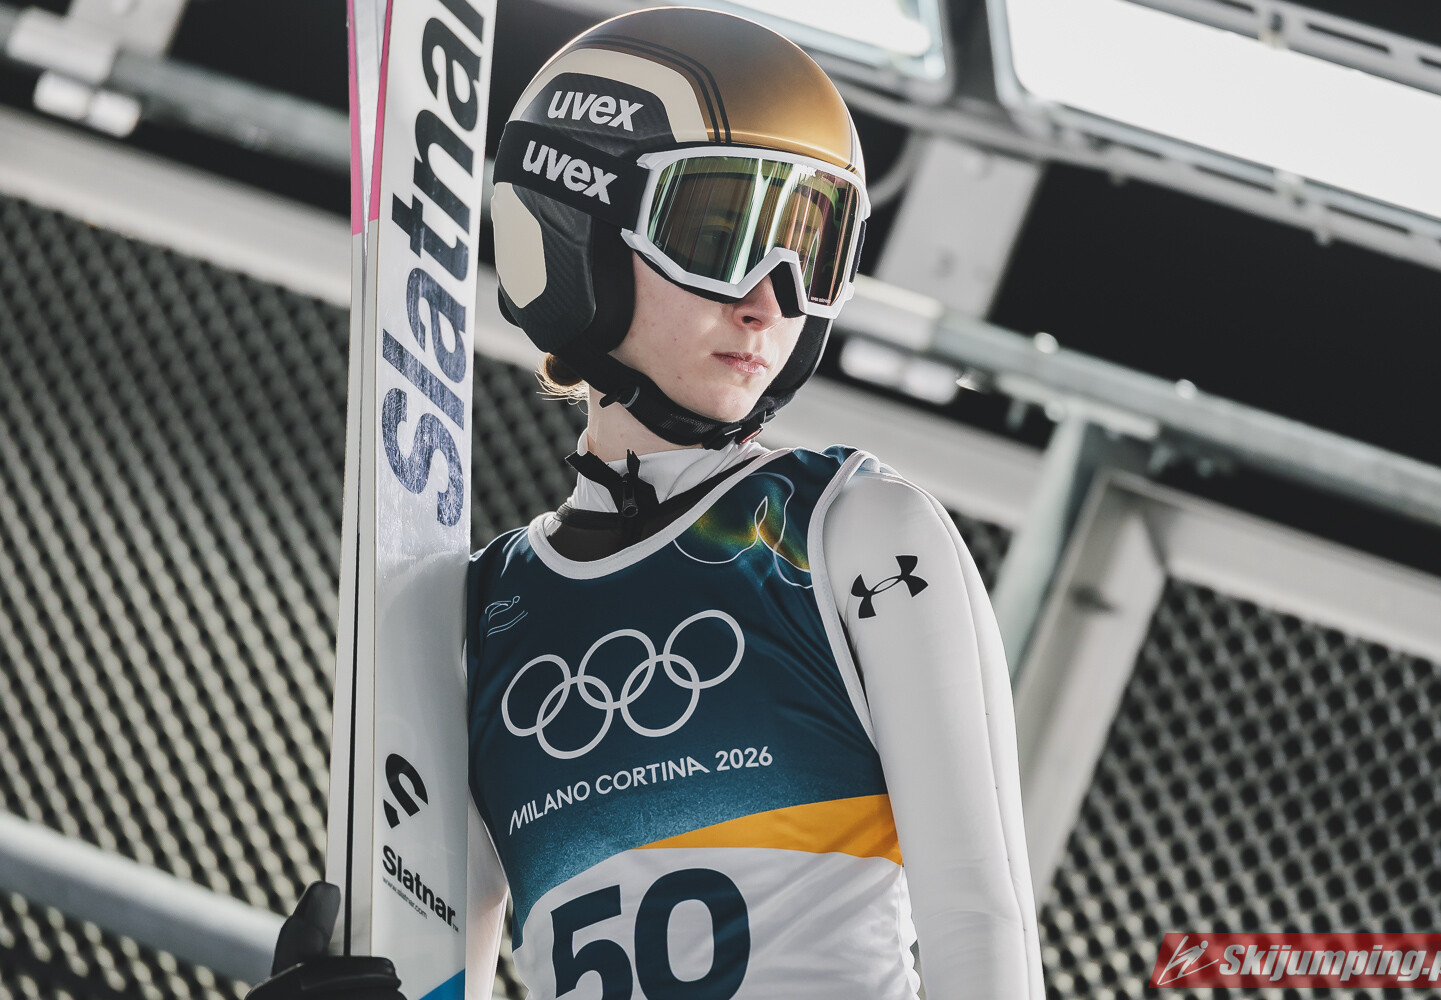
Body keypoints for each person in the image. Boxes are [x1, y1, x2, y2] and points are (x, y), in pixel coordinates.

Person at [256, 7, 1044, 1000]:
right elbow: (442, 968)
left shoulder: (850, 531)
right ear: (575, 229)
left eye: (810, 248)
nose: (771, 300)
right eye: (719, 234)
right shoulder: (477, 618)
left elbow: (981, 925)